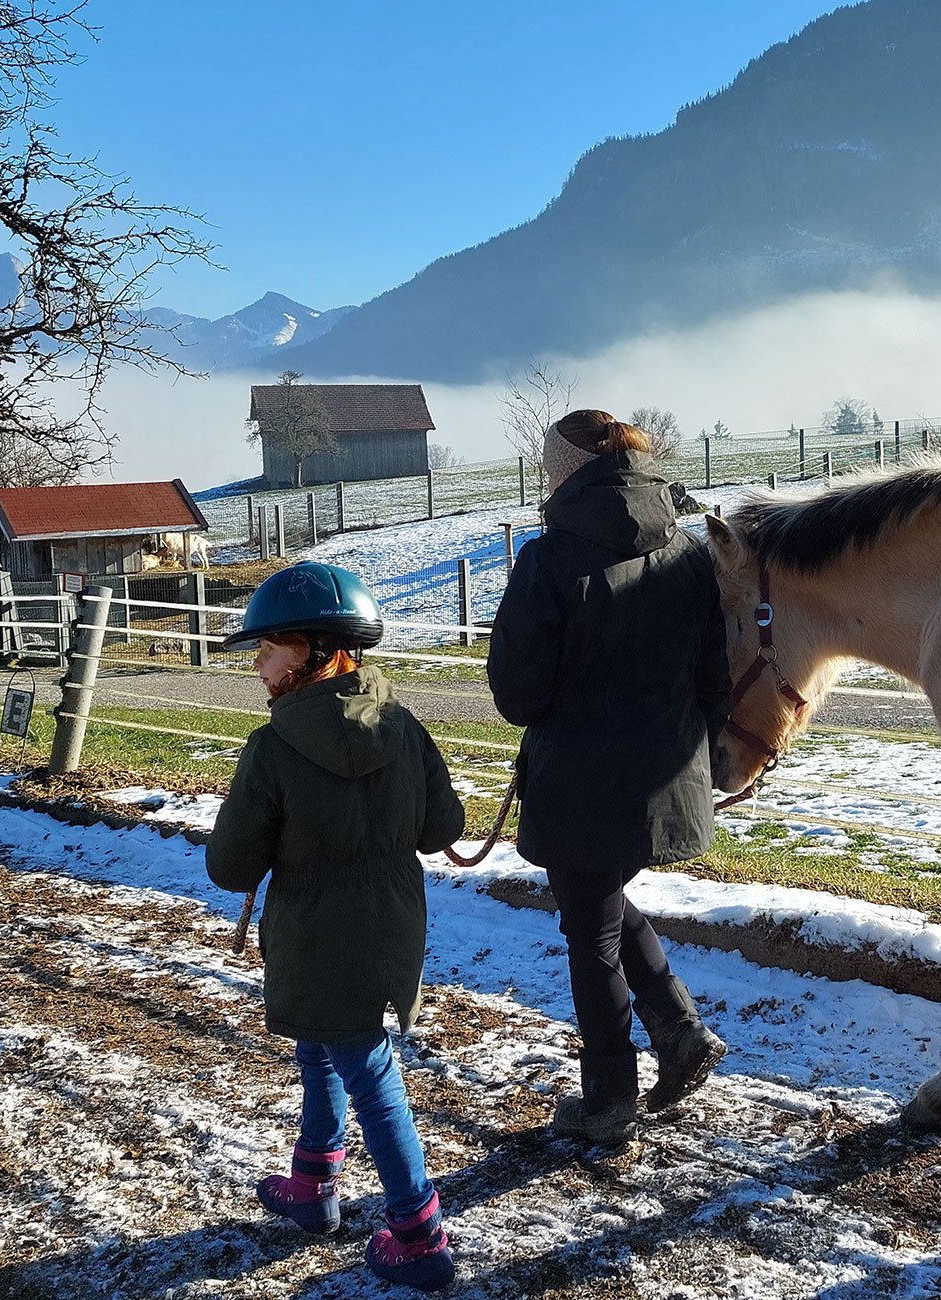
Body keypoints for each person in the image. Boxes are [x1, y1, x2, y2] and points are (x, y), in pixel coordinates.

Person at [207, 561, 464, 1292]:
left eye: (269, 646)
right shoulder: (404, 724)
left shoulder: (273, 745)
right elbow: (443, 825)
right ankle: (314, 1187)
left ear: (321, 648)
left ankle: (419, 1234)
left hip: (318, 930)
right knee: (322, 1044)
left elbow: (230, 866)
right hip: (393, 920)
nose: (256, 661)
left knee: (367, 1068)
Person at [488, 409, 731, 1147]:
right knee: (599, 904)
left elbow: (517, 696)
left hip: (580, 782)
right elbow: (714, 678)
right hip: (668, 773)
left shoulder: (547, 560)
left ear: (563, 473)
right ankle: (681, 1032)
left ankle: (609, 1097)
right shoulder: (691, 554)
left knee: (589, 932)